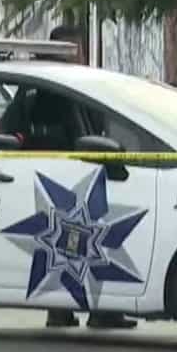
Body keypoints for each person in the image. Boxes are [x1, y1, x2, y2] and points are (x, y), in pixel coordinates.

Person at [42, 24, 137, 331]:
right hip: (59, 177)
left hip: (91, 173)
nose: (74, 57)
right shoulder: (42, 90)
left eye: (77, 50)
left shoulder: (86, 87)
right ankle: (65, 310)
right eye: (68, 51)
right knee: (71, 246)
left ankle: (98, 312)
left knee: (97, 244)